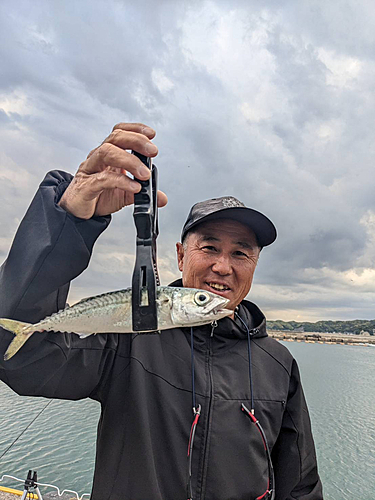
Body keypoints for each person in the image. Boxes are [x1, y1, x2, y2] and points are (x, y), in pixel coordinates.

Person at [0, 123, 323, 500]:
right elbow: (22, 359)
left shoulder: (279, 365)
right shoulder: (131, 337)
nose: (223, 266)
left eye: (240, 252)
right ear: (181, 255)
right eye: (210, 247)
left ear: (254, 265)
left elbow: (299, 484)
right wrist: (69, 219)